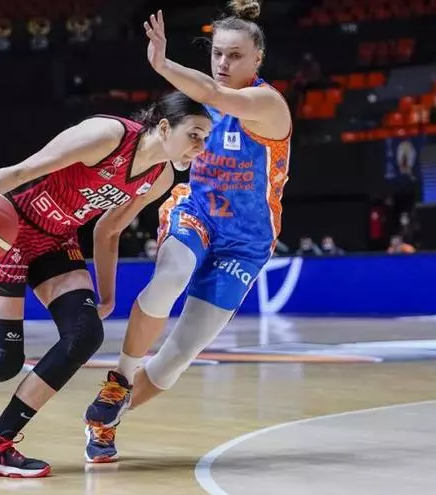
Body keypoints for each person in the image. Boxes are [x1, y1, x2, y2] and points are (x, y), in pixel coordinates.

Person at [0, 91, 212, 477]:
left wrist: (108, 295)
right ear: (165, 127)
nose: (200, 147)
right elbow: (22, 171)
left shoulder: (161, 177)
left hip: (56, 240)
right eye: (194, 135)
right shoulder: (106, 136)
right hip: (7, 229)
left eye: (206, 138)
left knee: (85, 335)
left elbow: (109, 230)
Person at [82, 0, 292, 463]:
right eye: (217, 53)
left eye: (235, 55)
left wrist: (162, 64)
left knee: (179, 354)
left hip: (246, 242)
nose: (223, 63)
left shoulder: (267, 104)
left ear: (257, 59)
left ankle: (107, 420)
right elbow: (165, 144)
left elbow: (217, 95)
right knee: (170, 277)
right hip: (197, 212)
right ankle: (119, 379)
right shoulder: (198, 102)